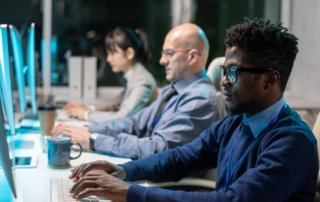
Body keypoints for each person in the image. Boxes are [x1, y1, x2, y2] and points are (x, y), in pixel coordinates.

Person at [67, 18, 318, 202]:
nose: (224, 81)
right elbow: (181, 158)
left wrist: (128, 192)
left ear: (270, 80)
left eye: (234, 72)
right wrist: (124, 170)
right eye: (224, 71)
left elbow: (233, 200)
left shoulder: (292, 142)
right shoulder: (237, 121)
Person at [52, 23, 226, 159]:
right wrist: (87, 129)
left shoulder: (200, 100)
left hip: (167, 186)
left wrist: (94, 140)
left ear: (192, 57)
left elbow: (158, 148)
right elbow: (133, 123)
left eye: (169, 53)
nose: (161, 60)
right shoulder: (172, 92)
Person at [64, 27, 158, 123]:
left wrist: (85, 114)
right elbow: (115, 102)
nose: (108, 59)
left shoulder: (142, 80)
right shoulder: (135, 75)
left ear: (129, 53)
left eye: (113, 53)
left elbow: (121, 117)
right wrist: (87, 108)